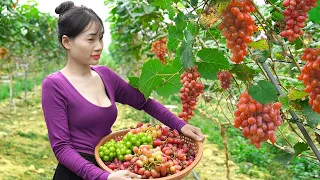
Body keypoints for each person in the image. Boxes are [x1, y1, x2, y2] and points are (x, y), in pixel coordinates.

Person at [41, 1, 205, 180]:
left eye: (100, 38)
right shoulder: (54, 85)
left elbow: (144, 102)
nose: (99, 46)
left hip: (110, 164)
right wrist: (103, 177)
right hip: (76, 173)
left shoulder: (106, 76)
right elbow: (62, 148)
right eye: (90, 39)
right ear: (67, 42)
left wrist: (180, 125)